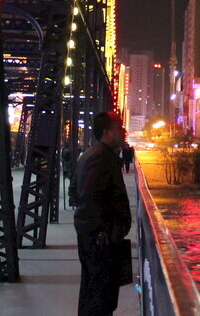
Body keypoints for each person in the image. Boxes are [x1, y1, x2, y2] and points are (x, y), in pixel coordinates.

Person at [68, 112, 131, 315]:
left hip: (96, 235)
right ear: (106, 133)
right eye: (118, 128)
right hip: (100, 239)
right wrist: (106, 232)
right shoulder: (101, 157)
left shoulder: (93, 154)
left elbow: (75, 190)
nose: (123, 132)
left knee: (93, 290)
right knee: (100, 295)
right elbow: (89, 197)